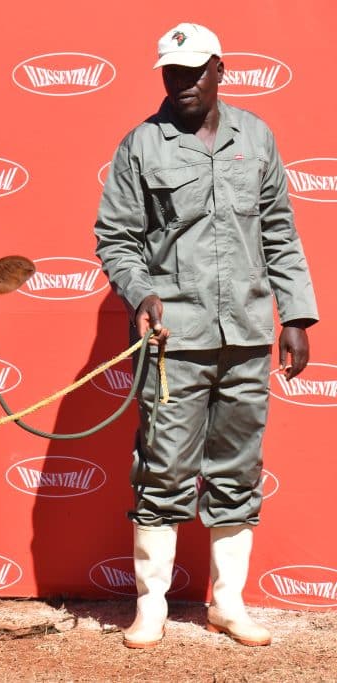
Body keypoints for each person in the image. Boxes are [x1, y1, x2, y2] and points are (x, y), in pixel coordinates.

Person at [93, 22, 318, 649]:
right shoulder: (142, 145)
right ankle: (151, 607)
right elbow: (116, 239)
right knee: (162, 470)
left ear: (220, 69)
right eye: (171, 72)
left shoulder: (258, 138)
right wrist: (141, 291)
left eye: (194, 71)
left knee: (238, 471)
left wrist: (295, 315)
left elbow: (279, 232)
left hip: (246, 333)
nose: (183, 83)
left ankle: (227, 604)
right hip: (176, 342)